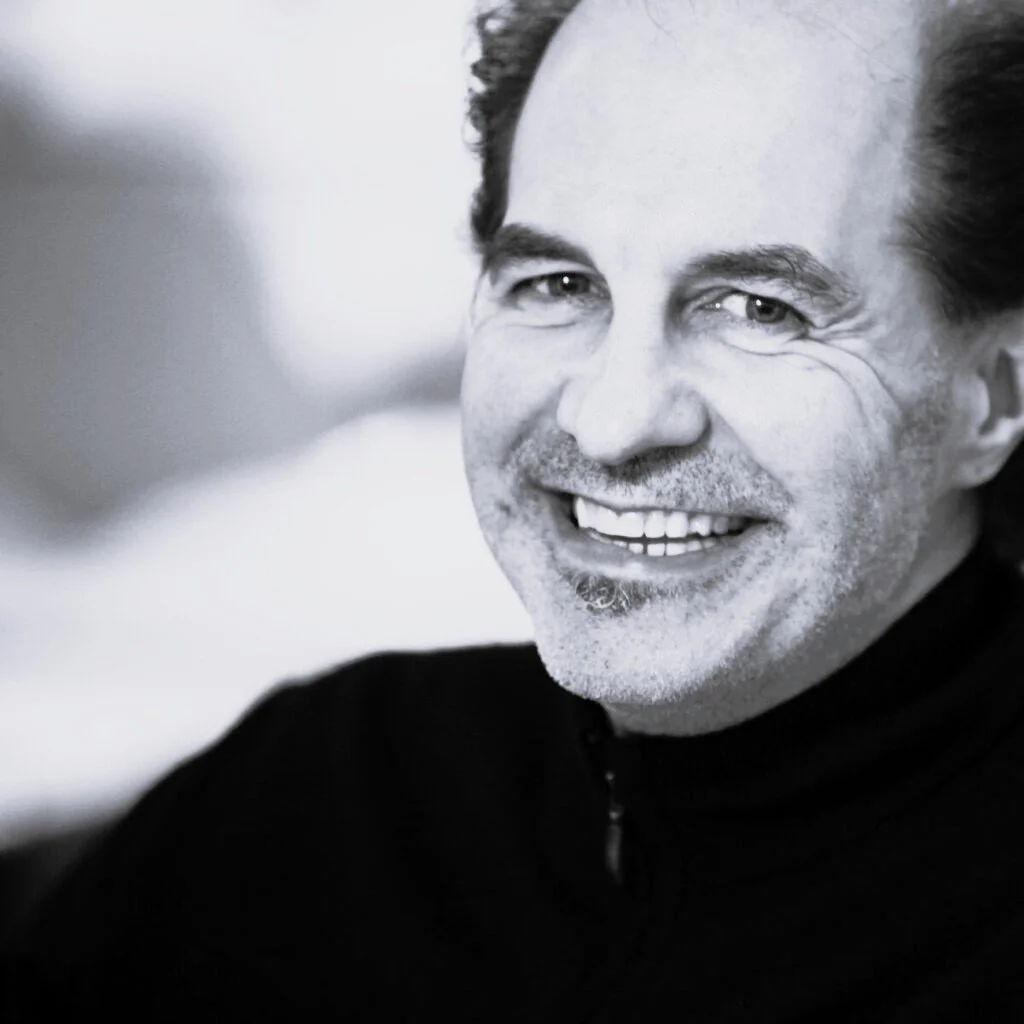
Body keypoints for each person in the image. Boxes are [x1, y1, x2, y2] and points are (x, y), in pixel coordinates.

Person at [5, 0, 1024, 1018]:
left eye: (759, 308)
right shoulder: (322, 805)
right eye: (556, 283)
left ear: (998, 393)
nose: (613, 421)